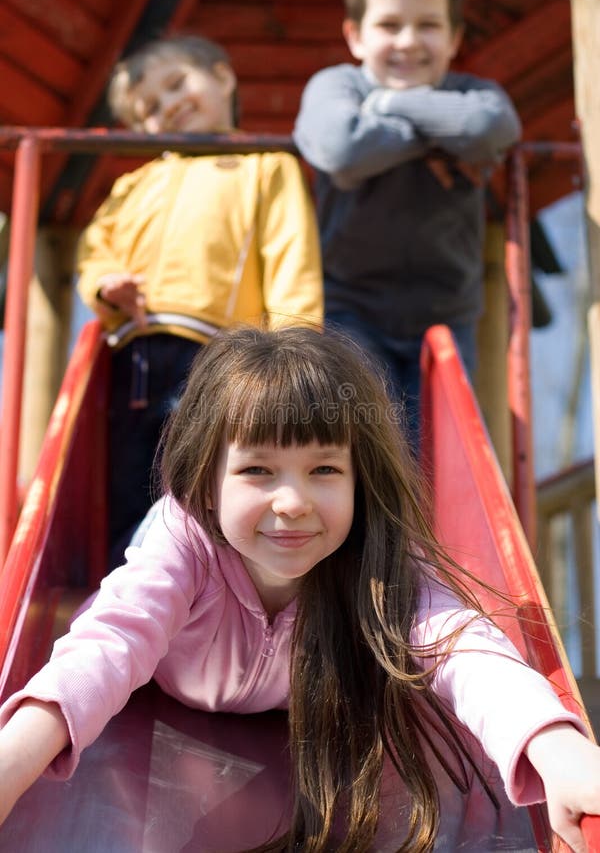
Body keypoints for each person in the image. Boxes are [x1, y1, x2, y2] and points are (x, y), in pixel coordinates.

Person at [0, 325, 598, 852]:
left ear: (359, 482)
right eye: (257, 470)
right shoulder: (185, 548)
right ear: (208, 483)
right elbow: (110, 642)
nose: (292, 502)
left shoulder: (377, 562)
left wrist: (556, 748)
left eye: (325, 471)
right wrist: (13, 757)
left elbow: (467, 648)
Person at [76, 34, 323, 569]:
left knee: (192, 474)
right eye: (150, 107)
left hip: (220, 354)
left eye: (177, 83)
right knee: (130, 472)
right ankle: (125, 585)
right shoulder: (135, 183)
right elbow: (96, 250)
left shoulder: (261, 163)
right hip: (135, 351)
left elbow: (290, 259)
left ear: (222, 76)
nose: (169, 104)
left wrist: (296, 352)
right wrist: (104, 285)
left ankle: (199, 583)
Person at [293, 0, 522, 442]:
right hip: (350, 306)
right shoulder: (338, 85)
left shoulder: (472, 91)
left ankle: (423, 524)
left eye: (428, 25)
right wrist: (440, 131)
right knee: (359, 439)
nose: (408, 41)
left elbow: (490, 127)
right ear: (355, 35)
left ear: (455, 38)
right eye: (390, 24)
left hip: (445, 314)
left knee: (438, 449)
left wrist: (391, 106)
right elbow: (341, 146)